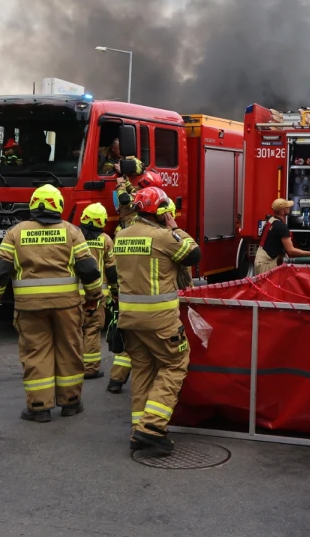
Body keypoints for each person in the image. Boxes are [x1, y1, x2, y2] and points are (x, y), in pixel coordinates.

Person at [0, 184, 105, 422]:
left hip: (30, 308)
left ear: (32, 205)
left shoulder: (15, 233)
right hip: (68, 307)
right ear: (59, 205)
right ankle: (70, 402)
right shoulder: (72, 232)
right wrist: (93, 297)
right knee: (70, 350)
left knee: (36, 353)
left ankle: (39, 407)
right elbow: (89, 269)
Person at [113, 186, 201, 455]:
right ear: (162, 212)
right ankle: (151, 429)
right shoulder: (164, 237)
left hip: (129, 321)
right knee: (175, 364)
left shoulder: (121, 235)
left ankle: (138, 428)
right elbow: (194, 253)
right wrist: (175, 227)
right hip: (160, 321)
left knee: (142, 370)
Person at [107, 169, 164, 394]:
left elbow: (124, 197)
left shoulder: (134, 205)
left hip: (128, 282)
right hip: (150, 289)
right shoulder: (155, 205)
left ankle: (116, 379)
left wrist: (122, 182)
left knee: (129, 336)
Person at [78, 203, 116, 380]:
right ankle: (90, 368)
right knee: (92, 330)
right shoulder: (105, 240)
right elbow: (111, 269)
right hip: (96, 295)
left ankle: (71, 366)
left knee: (73, 330)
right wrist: (115, 292)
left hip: (72, 294)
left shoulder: (74, 238)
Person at [254, 198, 310, 274]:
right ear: (282, 211)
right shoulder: (281, 227)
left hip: (259, 260)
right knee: (267, 285)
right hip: (266, 264)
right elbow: (291, 251)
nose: (289, 207)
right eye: (287, 207)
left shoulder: (271, 220)